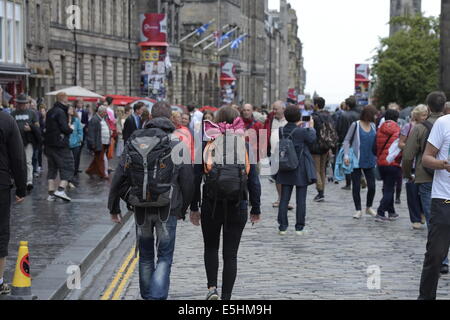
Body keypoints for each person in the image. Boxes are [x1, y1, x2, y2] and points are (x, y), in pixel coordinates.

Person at [108, 101, 194, 301]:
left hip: (140, 207)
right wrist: (185, 207)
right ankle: (157, 297)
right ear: (170, 118)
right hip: (168, 206)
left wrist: (114, 206)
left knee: (146, 256)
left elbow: (119, 176)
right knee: (164, 257)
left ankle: (148, 297)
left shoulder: (134, 142)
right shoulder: (177, 142)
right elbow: (188, 179)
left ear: (150, 117)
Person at [190, 106, 261, 301]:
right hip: (238, 205)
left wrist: (194, 206)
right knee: (231, 255)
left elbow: (195, 178)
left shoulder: (207, 143)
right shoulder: (244, 145)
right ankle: (226, 298)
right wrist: (256, 208)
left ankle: (212, 288)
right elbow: (254, 179)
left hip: (211, 204)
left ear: (217, 120)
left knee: (211, 247)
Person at [403, 92, 449, 272]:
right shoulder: (445, 124)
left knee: (435, 222)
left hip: (426, 177)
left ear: (428, 107)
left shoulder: (420, 128)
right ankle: (442, 259)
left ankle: (440, 260)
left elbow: (407, 156)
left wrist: (408, 174)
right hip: (443, 179)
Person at [418, 112, 450, 300]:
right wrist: (442, 164)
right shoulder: (443, 123)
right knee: (436, 255)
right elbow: (426, 158)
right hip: (445, 199)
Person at [276, 106, 316, 236]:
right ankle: (299, 227)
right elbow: (312, 140)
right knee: (301, 200)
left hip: (285, 166)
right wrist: (310, 126)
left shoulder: (281, 130)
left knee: (284, 199)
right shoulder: (302, 131)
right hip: (300, 168)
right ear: (298, 117)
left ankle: (283, 227)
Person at [0, 110, 27, 295]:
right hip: (0, 183)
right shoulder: (6, 120)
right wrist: (21, 187)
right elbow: (18, 157)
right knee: (1, 231)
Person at [343, 105, 378, 219]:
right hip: (356, 159)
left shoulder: (373, 126)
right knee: (356, 186)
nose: (375, 116)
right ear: (368, 114)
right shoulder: (356, 125)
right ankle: (358, 209)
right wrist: (346, 155)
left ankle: (368, 207)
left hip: (370, 159)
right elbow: (347, 140)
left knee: (372, 186)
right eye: (374, 114)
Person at [400, 105, 429, 230]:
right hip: (411, 165)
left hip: (423, 165)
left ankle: (422, 213)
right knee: (412, 193)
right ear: (416, 116)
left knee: (424, 192)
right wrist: (412, 146)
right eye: (423, 115)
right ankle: (415, 219)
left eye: (426, 114)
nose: (425, 117)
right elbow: (400, 143)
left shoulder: (428, 127)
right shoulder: (408, 127)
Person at [44, 92, 75, 202]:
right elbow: (65, 128)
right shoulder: (61, 112)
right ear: (64, 99)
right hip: (60, 144)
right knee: (68, 166)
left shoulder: (50, 111)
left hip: (48, 144)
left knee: (52, 168)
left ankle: (51, 194)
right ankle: (61, 190)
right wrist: (71, 128)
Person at [375, 109, 402, 222]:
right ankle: (380, 211)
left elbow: (374, 147)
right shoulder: (398, 130)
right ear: (397, 118)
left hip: (381, 162)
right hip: (393, 162)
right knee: (390, 189)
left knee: (387, 187)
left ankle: (391, 211)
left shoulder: (379, 129)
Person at [10, 94, 40, 192]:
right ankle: (18, 180)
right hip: (16, 141)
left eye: (24, 103)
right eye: (20, 103)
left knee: (28, 161)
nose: (22, 105)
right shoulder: (13, 114)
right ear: (17, 104)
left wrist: (31, 128)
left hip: (28, 141)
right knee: (17, 162)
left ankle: (29, 181)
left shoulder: (32, 113)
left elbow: (37, 127)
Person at [264, 101, 290, 208]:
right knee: (277, 177)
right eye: (273, 109)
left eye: (276, 109)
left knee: (287, 178)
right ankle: (280, 199)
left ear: (283, 109)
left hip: (287, 154)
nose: (274, 111)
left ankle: (286, 200)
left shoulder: (289, 120)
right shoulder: (270, 120)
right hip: (274, 153)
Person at [310, 97, 336, 202]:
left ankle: (320, 192)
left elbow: (309, 130)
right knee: (322, 170)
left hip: (316, 145)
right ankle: (322, 192)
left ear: (316, 105)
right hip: (326, 145)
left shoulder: (313, 117)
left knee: (316, 169)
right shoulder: (328, 116)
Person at [337, 96, 362, 190]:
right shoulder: (359, 114)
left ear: (347, 105)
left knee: (347, 161)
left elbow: (339, 129)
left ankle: (348, 183)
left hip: (346, 140)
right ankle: (359, 179)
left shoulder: (344, 115)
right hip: (358, 140)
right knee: (356, 161)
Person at [86, 106, 111, 179]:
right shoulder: (94, 119)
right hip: (99, 142)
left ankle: (90, 171)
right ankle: (102, 174)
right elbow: (91, 132)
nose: (106, 113)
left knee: (98, 158)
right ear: (101, 112)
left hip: (104, 141)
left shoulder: (103, 119)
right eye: (105, 112)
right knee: (100, 159)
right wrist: (92, 144)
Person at [68, 105, 84, 186]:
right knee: (68, 161)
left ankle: (73, 175)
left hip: (76, 144)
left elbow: (80, 131)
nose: (70, 110)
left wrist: (79, 139)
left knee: (75, 160)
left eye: (71, 109)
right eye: (69, 109)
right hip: (66, 144)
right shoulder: (64, 120)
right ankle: (68, 176)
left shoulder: (76, 120)